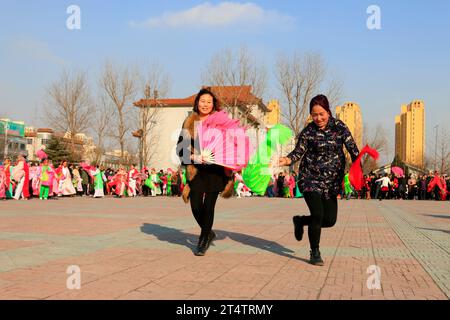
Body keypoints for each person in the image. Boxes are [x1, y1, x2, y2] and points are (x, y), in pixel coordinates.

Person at [278, 94, 360, 266]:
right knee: (317, 215)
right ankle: (314, 251)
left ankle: (300, 221)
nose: (318, 118)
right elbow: (298, 151)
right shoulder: (308, 131)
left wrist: (357, 165)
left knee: (329, 220)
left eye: (321, 114)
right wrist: (287, 159)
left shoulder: (339, 127)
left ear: (328, 111)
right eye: (314, 114)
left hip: (331, 182)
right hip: (310, 178)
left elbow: (352, 148)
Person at [176, 88, 234, 256]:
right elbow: (181, 148)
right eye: (202, 101)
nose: (205, 105)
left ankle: (203, 240)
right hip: (197, 170)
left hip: (216, 170)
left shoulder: (220, 121)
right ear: (197, 102)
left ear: (213, 104)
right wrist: (194, 157)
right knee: (195, 205)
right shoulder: (189, 121)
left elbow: (231, 144)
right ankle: (208, 231)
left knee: (209, 206)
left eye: (209, 102)